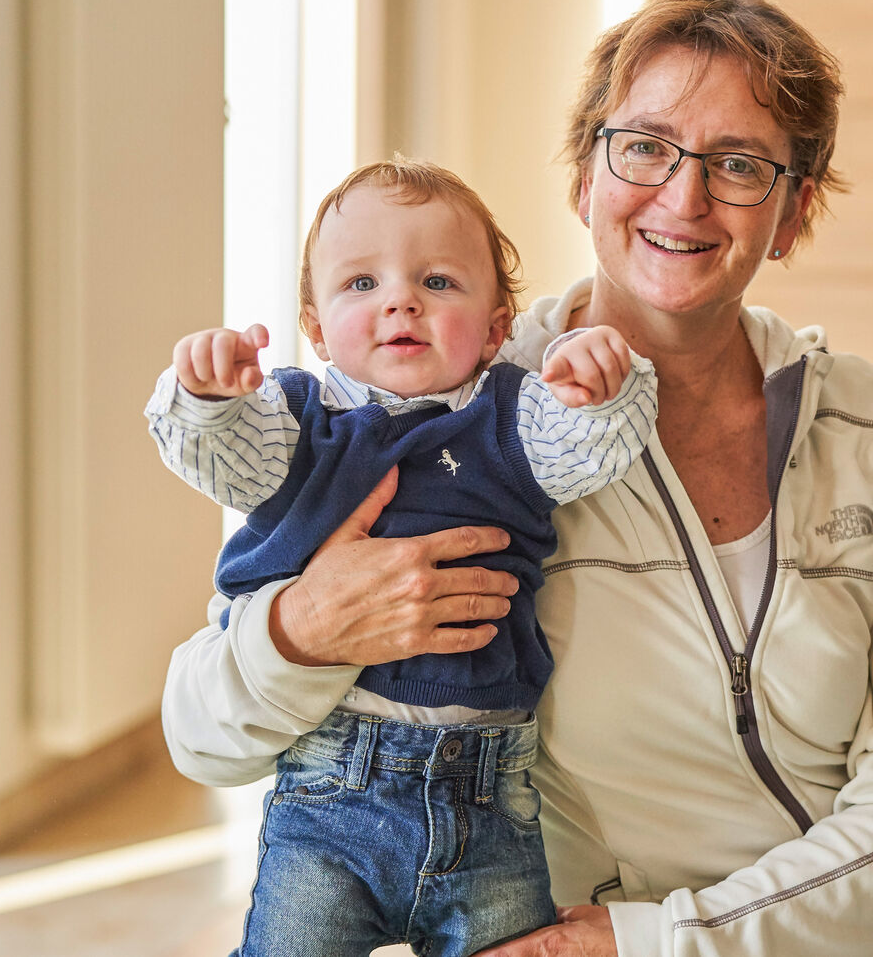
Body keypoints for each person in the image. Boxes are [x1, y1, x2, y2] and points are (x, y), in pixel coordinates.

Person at [161, 0, 873, 956]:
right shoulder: (457, 423)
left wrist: (661, 941)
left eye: (739, 164)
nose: (683, 196)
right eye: (644, 146)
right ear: (583, 179)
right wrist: (300, 630)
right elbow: (200, 735)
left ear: (793, 213)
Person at [146, 158, 657, 957]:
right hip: (328, 792)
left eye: (439, 282)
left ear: (495, 328)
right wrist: (208, 400)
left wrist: (603, 389)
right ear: (314, 327)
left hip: (489, 795)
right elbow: (226, 462)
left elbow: (587, 451)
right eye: (359, 284)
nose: (400, 300)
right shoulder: (296, 417)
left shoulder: (511, 414)